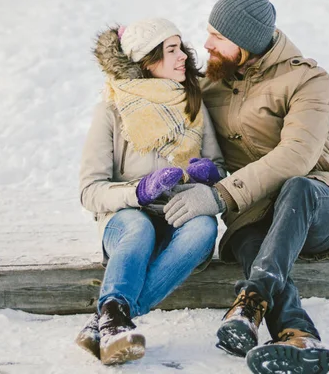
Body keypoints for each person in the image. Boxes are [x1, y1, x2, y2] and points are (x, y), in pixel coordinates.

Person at [163, 0, 329, 374]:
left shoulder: (307, 80)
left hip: (312, 205)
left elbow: (297, 157)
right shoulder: (210, 85)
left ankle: (250, 298)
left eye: (219, 37)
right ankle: (298, 334)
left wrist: (220, 196)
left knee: (297, 186)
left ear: (248, 42)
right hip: (252, 215)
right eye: (209, 33)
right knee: (248, 238)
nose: (207, 44)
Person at [75, 18, 225, 365]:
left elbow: (219, 170)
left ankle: (112, 316)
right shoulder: (113, 109)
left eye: (181, 47)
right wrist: (138, 192)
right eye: (170, 50)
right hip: (126, 222)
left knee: (205, 227)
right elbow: (90, 190)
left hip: (177, 215)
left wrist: (207, 175)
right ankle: (114, 316)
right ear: (147, 60)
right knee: (138, 226)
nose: (183, 56)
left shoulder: (193, 103)